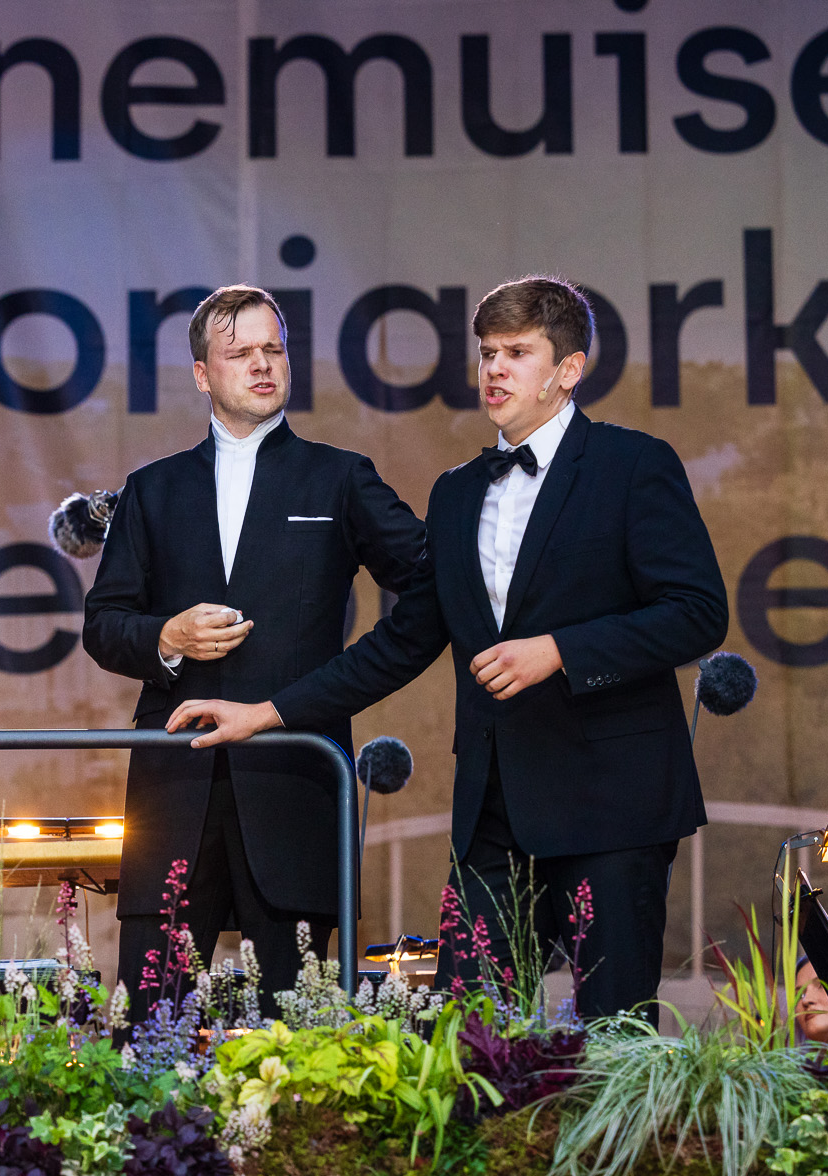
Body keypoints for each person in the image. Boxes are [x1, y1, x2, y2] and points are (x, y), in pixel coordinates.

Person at [169, 276, 728, 1022]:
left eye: (518, 353)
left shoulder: (633, 464)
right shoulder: (458, 491)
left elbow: (697, 613)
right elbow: (403, 641)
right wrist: (267, 712)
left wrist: (559, 650)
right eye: (487, 352)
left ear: (569, 369)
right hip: (495, 810)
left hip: (614, 803)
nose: (494, 369)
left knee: (614, 1038)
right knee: (469, 1041)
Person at [83, 285, 426, 1018]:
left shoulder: (340, 477)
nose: (263, 365)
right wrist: (166, 638)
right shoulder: (151, 489)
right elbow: (103, 624)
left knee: (296, 1040)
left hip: (293, 779)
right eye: (240, 352)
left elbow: (434, 591)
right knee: (146, 1031)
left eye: (274, 349)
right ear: (202, 374)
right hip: (173, 791)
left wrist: (311, 698)